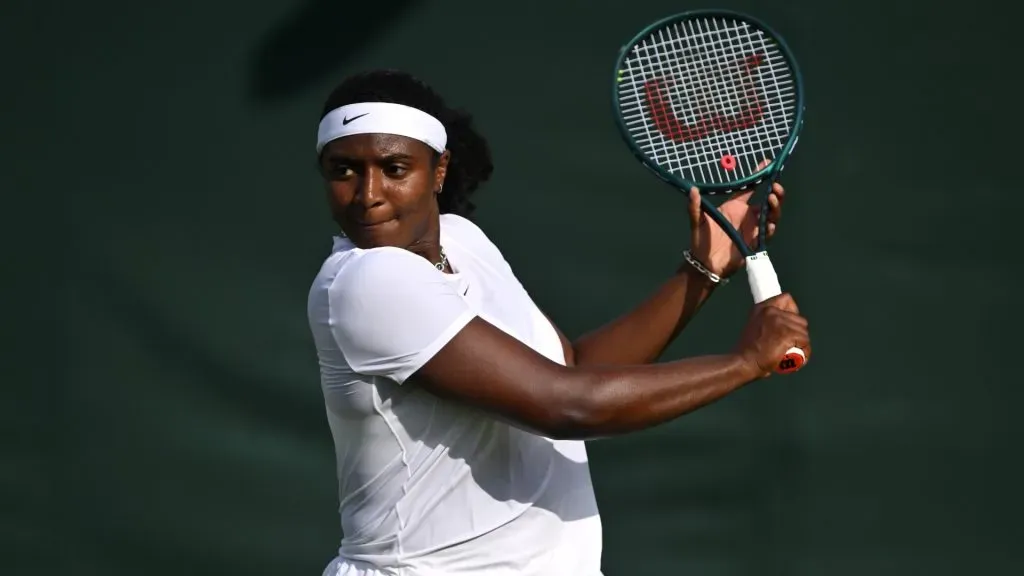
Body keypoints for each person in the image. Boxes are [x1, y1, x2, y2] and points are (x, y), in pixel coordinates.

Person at [307, 69, 811, 576]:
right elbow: (566, 405)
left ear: (439, 172)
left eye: (394, 168)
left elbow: (574, 366)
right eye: (344, 170)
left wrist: (702, 271)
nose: (367, 193)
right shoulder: (366, 280)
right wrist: (745, 362)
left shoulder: (462, 241)